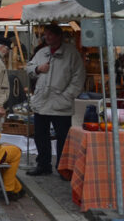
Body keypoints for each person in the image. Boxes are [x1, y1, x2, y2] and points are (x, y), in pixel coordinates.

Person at [25, 24, 86, 177]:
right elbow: (29, 68)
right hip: (42, 101)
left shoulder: (71, 53)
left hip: (61, 103)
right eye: (46, 34)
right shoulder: (42, 52)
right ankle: (43, 164)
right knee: (40, 135)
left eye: (50, 34)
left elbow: (78, 78)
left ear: (59, 36)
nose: (47, 37)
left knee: (63, 137)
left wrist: (66, 96)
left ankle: (62, 167)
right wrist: (38, 69)